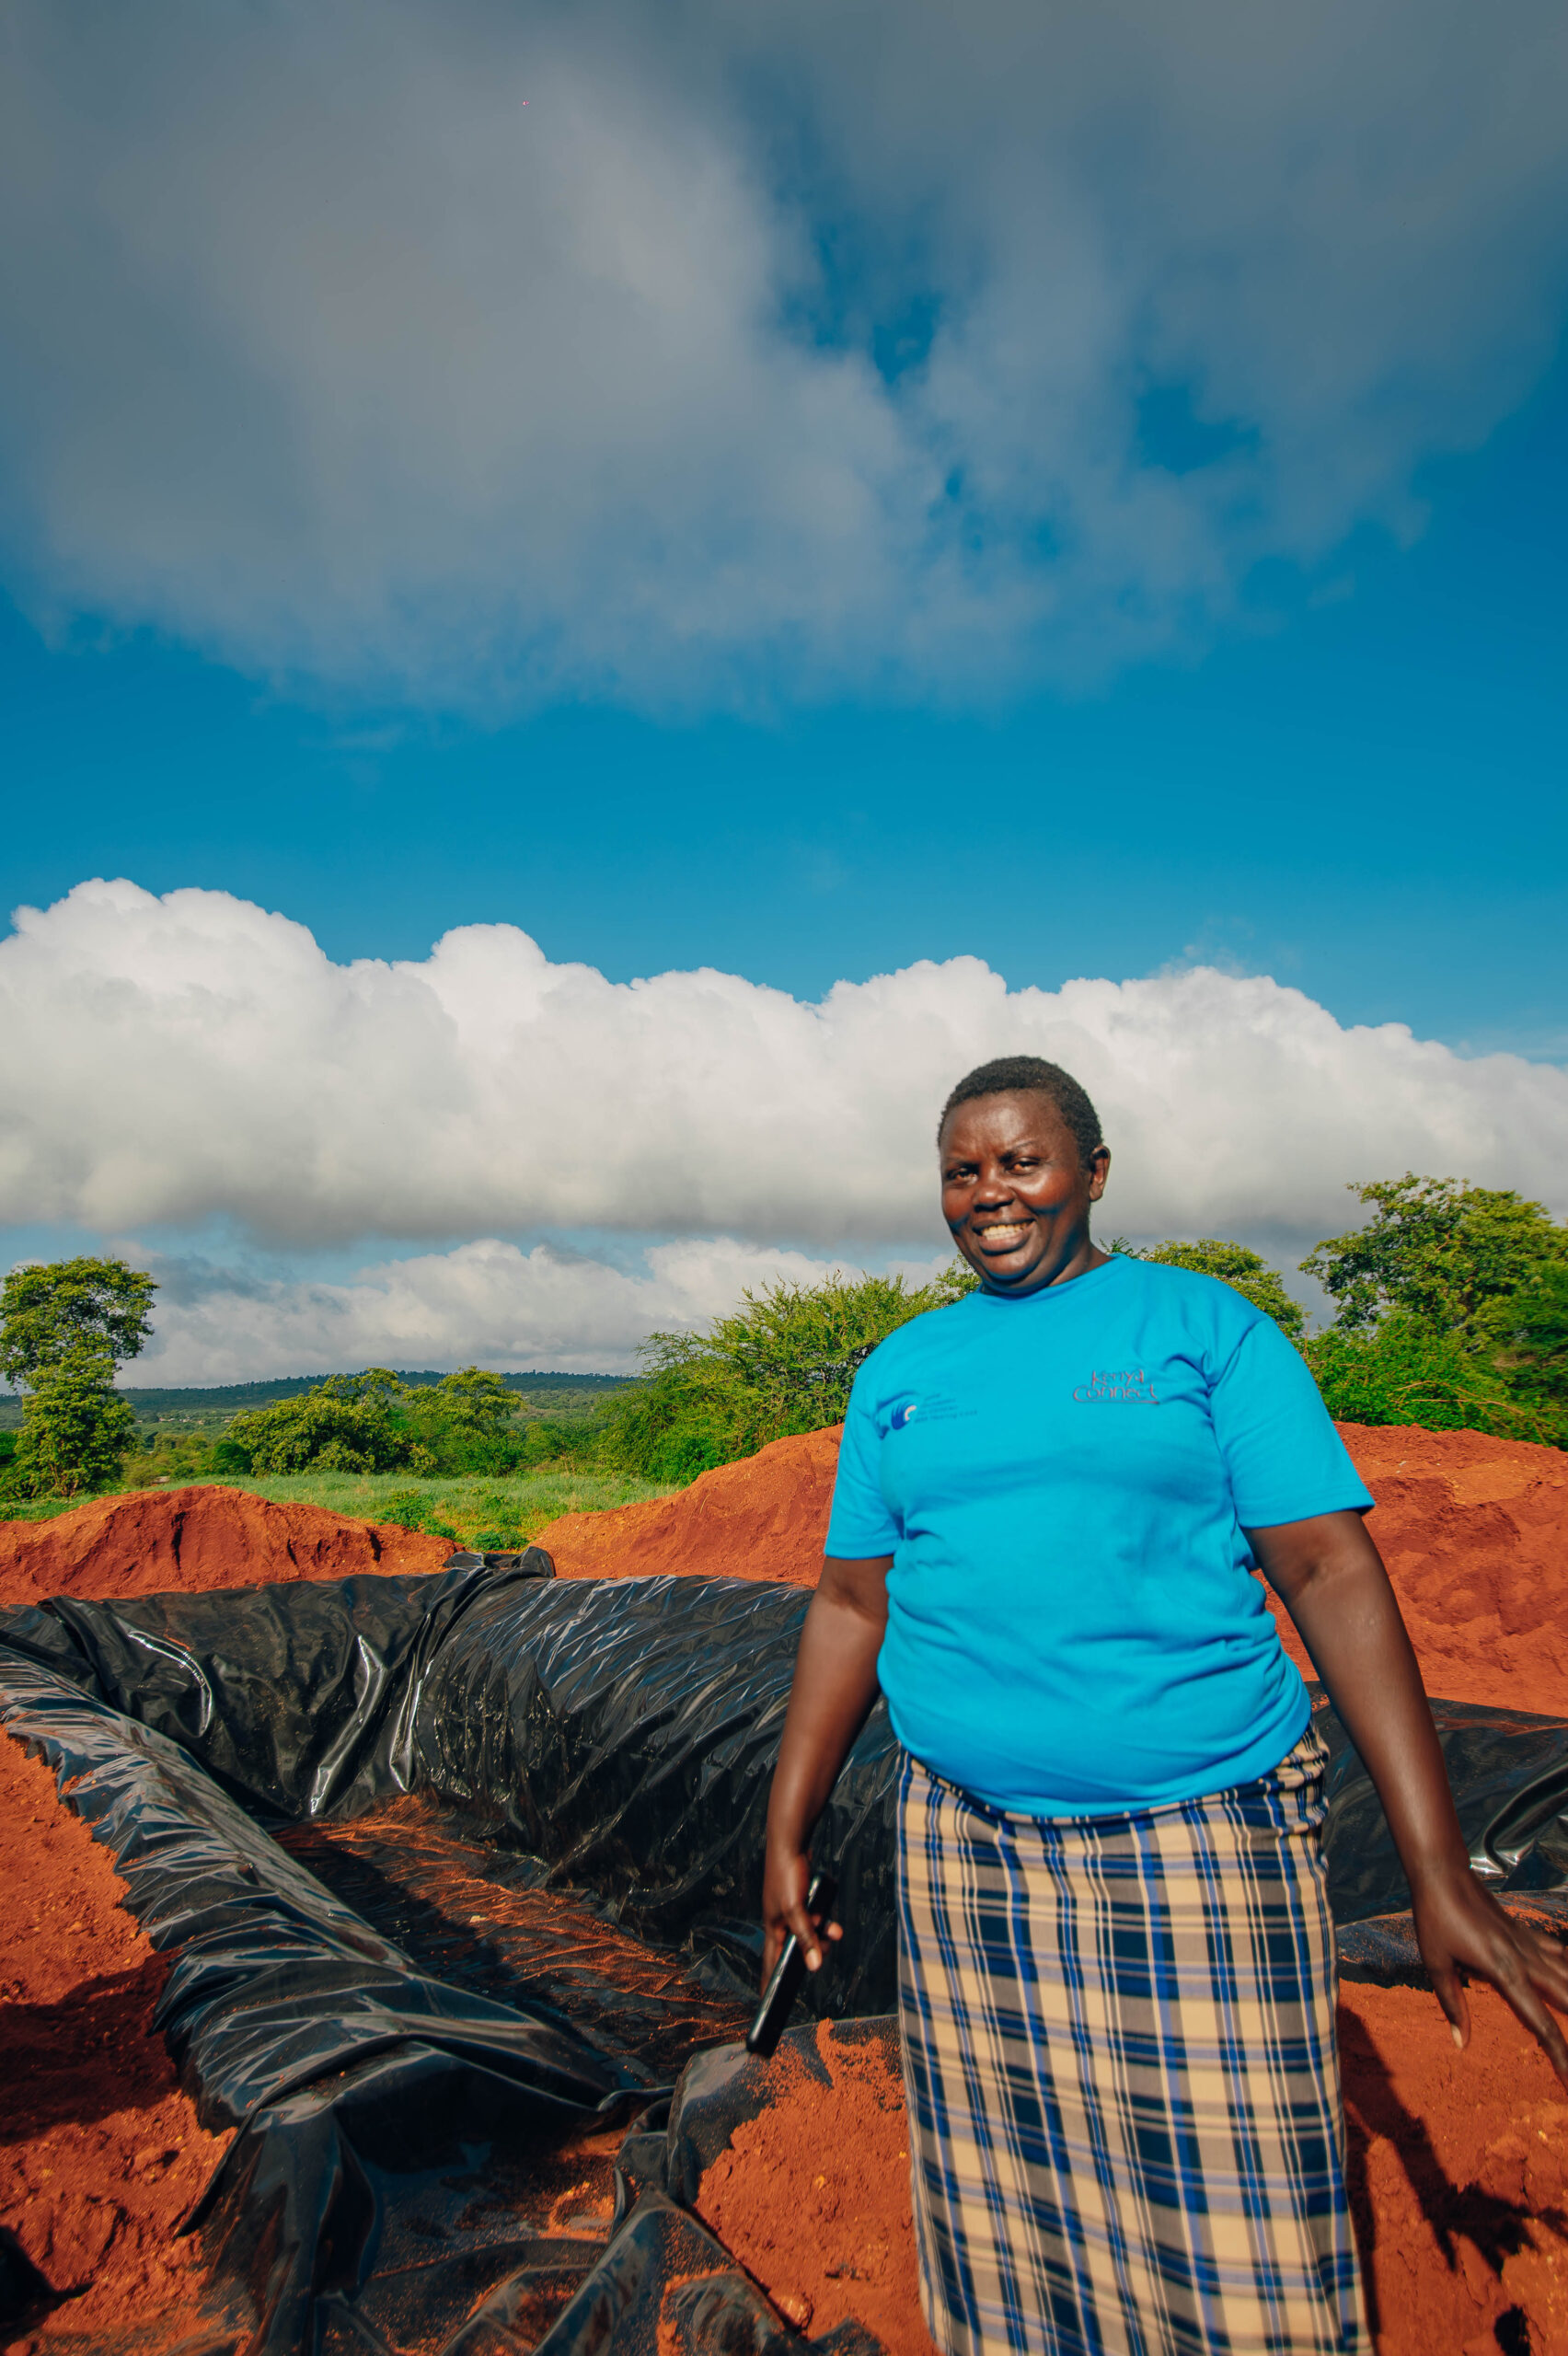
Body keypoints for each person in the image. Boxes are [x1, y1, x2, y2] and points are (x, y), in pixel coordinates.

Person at [760, 1054, 1568, 2356]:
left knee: (1245, 2235)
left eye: (1021, 1160)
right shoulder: (902, 1371)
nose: (989, 1193)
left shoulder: (1204, 1332)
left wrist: (1437, 1864)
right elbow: (854, 1604)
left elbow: (1327, 1569)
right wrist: (784, 1825)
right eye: (961, 1170)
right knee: (1004, 2216)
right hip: (963, 1848)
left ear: (1093, 1172)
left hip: (1197, 1840)